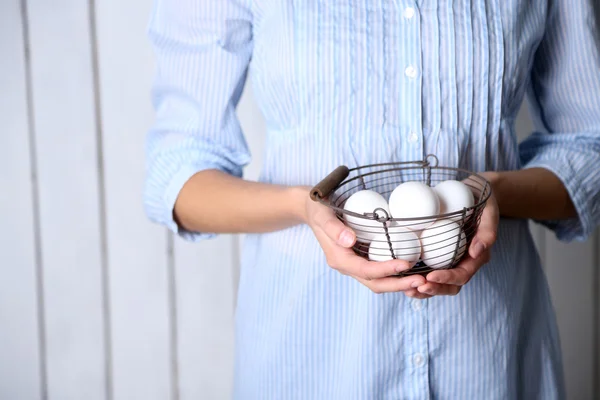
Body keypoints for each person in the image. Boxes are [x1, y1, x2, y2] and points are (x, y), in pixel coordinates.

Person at [144, 0, 599, 398]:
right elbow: (180, 176)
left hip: (488, 353)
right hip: (313, 355)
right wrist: (303, 204)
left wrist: (486, 194)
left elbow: (589, 149)